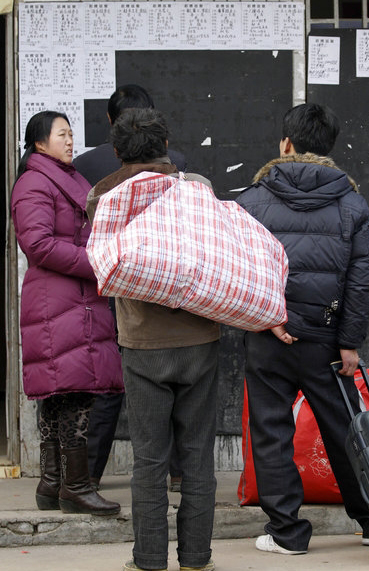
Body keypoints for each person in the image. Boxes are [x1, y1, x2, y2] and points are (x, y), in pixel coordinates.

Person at [236, 103, 369, 555]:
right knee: (345, 431)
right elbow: (361, 280)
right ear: (329, 148)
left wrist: (265, 318)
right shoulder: (352, 204)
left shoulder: (250, 199)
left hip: (268, 336)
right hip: (326, 341)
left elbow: (237, 272)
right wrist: (350, 342)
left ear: (285, 145)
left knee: (271, 432)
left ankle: (287, 534)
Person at [86, 107, 219, 571]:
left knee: (149, 459)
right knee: (198, 455)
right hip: (200, 338)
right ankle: (197, 560)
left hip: (142, 344)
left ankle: (149, 561)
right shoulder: (197, 188)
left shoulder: (103, 195)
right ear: (166, 145)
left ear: (117, 150)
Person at [11, 110, 124, 515]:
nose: (70, 141)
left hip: (72, 297)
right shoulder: (34, 183)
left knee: (62, 392)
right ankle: (75, 485)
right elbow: (38, 244)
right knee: (72, 391)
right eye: (62, 135)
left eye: (72, 134)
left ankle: (52, 483)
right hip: (57, 298)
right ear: (40, 142)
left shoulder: (65, 178)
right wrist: (94, 261)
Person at [74, 84, 186, 491]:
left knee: (107, 386)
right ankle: (178, 473)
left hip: (106, 290)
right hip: (170, 291)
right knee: (175, 387)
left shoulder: (85, 167)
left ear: (110, 123)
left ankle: (88, 474)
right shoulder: (182, 167)